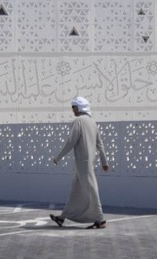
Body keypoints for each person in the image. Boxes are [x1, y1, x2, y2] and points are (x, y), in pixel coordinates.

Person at [50, 95, 109, 229]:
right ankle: (62, 217)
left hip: (83, 163)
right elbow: (100, 144)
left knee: (91, 190)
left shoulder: (78, 122)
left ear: (80, 107)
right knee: (75, 192)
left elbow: (70, 142)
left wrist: (57, 157)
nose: (73, 110)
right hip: (87, 163)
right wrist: (104, 162)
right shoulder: (92, 122)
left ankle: (100, 219)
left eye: (74, 107)